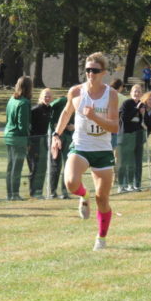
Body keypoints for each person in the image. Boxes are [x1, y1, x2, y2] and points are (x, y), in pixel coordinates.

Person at [51, 52, 119, 251]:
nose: (90, 74)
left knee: (103, 199)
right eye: (88, 70)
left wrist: (95, 117)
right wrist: (56, 134)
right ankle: (83, 195)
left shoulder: (111, 94)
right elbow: (66, 114)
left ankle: (101, 237)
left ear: (103, 73)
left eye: (95, 71)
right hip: (81, 146)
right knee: (71, 183)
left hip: (103, 150)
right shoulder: (76, 92)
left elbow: (115, 127)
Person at [3, 75, 32, 200]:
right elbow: (23, 125)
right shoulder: (24, 103)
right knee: (17, 167)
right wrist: (28, 140)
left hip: (8, 135)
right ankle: (14, 194)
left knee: (10, 166)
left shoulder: (12, 99)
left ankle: (10, 194)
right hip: (18, 138)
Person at [117, 83, 144, 193]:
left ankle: (130, 184)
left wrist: (142, 113)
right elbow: (124, 118)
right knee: (124, 161)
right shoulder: (127, 103)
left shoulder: (142, 105)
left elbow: (141, 121)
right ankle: (121, 185)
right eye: (135, 91)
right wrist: (136, 110)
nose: (137, 93)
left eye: (139, 91)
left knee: (133, 162)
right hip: (127, 134)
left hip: (137, 134)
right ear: (131, 93)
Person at [27, 88, 53, 198]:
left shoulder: (50, 109)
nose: (47, 98)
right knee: (34, 167)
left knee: (42, 167)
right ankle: (33, 192)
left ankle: (39, 191)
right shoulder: (35, 110)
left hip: (44, 141)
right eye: (45, 96)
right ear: (40, 97)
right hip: (33, 142)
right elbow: (28, 127)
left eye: (49, 96)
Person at [47, 92, 73, 199]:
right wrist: (54, 124)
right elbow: (48, 107)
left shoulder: (81, 102)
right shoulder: (62, 101)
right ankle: (52, 191)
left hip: (70, 137)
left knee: (68, 165)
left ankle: (65, 191)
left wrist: (74, 126)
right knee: (55, 164)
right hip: (57, 136)